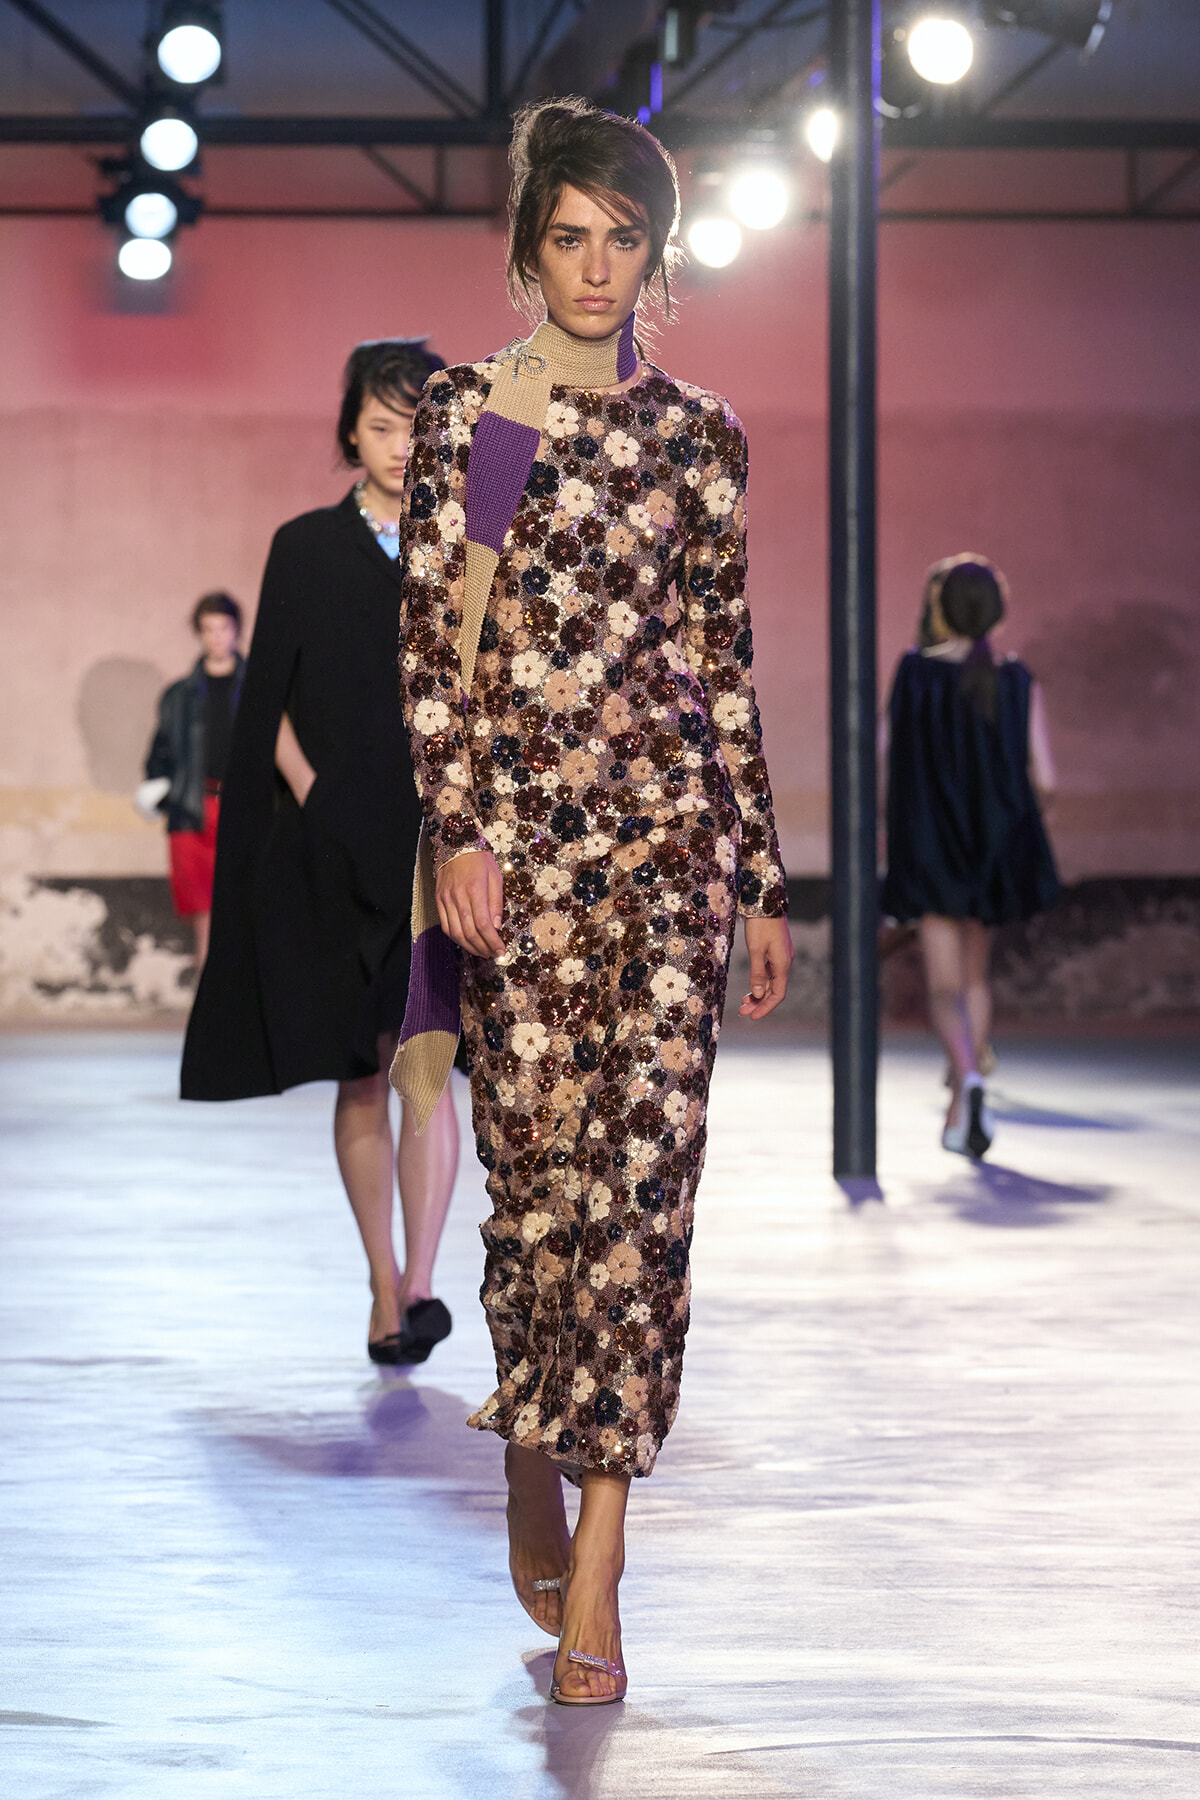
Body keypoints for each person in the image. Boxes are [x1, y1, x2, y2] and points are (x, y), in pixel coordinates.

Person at [394, 97, 792, 1706]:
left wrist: (763, 873)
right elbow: (435, 655)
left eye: (625, 239)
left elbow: (724, 662)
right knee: (540, 1194)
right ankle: (526, 1450)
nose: (596, 266)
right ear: (527, 248)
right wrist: (460, 834)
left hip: (671, 860)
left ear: (657, 255)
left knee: (646, 1207)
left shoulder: (701, 436)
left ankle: (607, 1559)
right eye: (570, 236)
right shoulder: (474, 417)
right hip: (522, 871)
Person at [181, 339, 461, 1368]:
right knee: (363, 1075)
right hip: (338, 847)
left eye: (417, 426)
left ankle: (423, 1282)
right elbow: (268, 703)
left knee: (430, 1068)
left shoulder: (468, 549)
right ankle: (383, 1285)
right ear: (351, 431)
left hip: (440, 846)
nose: (400, 446)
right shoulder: (303, 547)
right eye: (381, 426)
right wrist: (317, 798)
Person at [882, 553, 1060, 1159]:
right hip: (993, 848)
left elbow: (883, 757)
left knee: (943, 985)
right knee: (976, 979)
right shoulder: (1017, 680)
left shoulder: (915, 673)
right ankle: (969, 1085)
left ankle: (966, 1082)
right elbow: (1046, 778)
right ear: (998, 612)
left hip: (931, 847)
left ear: (941, 608)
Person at [138, 591, 245, 970]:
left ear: (236, 630)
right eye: (208, 629)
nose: (216, 637)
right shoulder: (178, 696)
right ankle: (207, 996)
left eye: (223, 628)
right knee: (204, 916)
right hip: (193, 810)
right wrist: (158, 791)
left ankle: (237, 997)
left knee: (243, 907)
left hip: (244, 809)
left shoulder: (258, 689)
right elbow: (159, 756)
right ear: (198, 634)